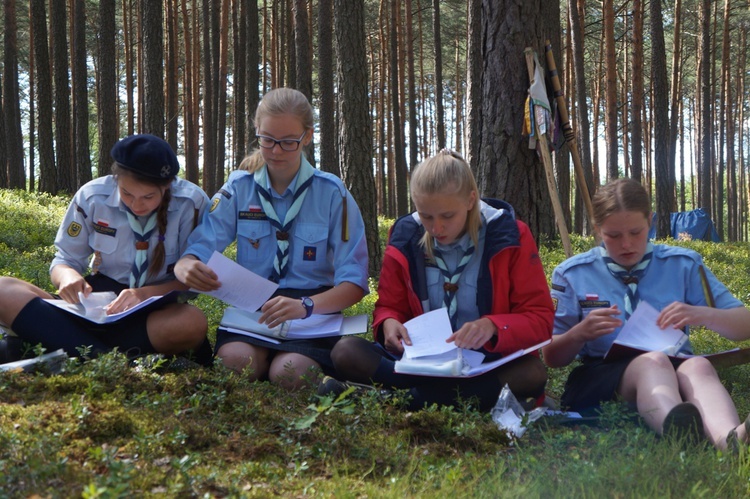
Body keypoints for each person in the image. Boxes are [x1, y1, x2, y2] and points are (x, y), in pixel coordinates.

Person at [322, 149, 554, 411]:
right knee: (345, 351)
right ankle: (453, 400)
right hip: (421, 363)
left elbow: (541, 320)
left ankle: (401, 400)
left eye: (447, 216)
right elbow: (390, 305)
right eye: (426, 216)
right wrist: (388, 323)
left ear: (471, 200)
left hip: (487, 363)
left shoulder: (510, 235)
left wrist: (491, 326)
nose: (436, 228)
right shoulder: (405, 236)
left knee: (532, 372)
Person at [174, 87, 369, 390]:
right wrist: (187, 264)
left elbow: (354, 283)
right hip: (252, 311)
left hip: (311, 313)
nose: (276, 151)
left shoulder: (333, 194)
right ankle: (263, 360)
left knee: (289, 374)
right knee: (234, 364)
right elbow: (201, 245)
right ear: (257, 132)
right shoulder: (239, 188)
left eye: (288, 142)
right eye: (267, 140)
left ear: (307, 136)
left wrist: (306, 305)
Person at [544, 177, 750, 450]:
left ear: (650, 221)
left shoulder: (682, 264)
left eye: (636, 232)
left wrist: (703, 314)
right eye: (613, 236)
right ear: (597, 229)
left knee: (698, 365)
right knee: (652, 362)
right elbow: (552, 357)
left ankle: (731, 440)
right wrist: (579, 334)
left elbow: (744, 326)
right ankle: (679, 432)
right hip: (601, 375)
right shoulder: (573, 273)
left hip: (674, 362)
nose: (626, 244)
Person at [0, 134, 212, 363]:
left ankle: (66, 349)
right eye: (127, 193)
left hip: (154, 313)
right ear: (115, 179)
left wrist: (143, 295)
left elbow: (191, 282)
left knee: (192, 322)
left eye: (148, 197)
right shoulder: (92, 197)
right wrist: (67, 277)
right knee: (4, 289)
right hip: (93, 306)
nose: (136, 204)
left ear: (168, 185)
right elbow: (64, 260)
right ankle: (112, 361)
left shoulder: (192, 203)